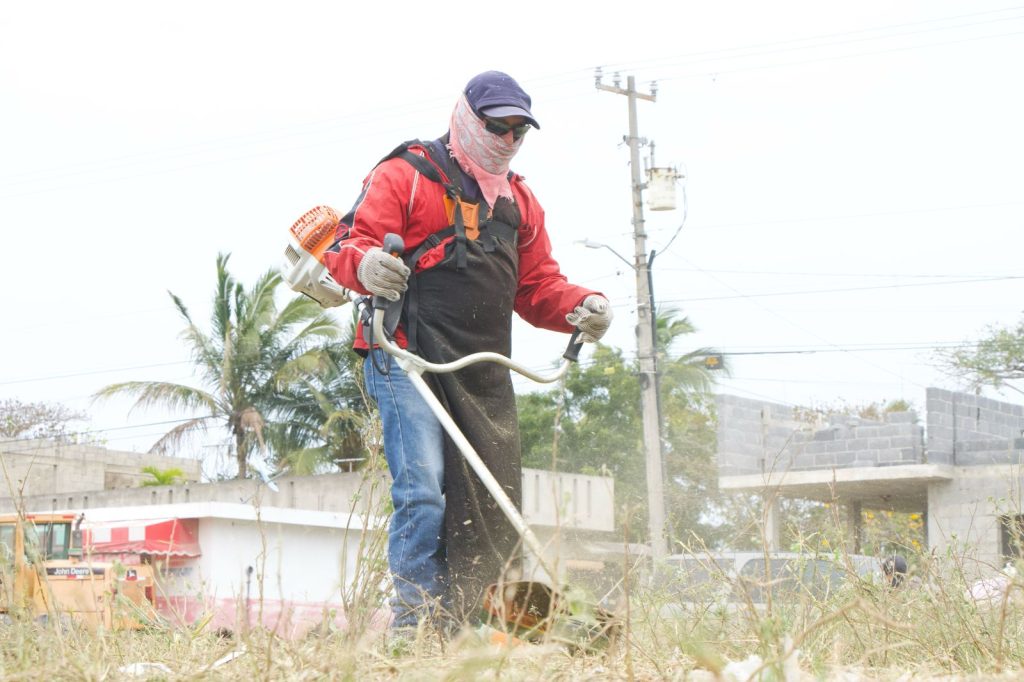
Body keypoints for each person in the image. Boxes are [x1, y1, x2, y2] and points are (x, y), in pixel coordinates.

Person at [323, 71, 612, 632]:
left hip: (481, 369)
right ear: (466, 118)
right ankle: (414, 627)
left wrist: (582, 305)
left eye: (517, 131)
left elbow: (537, 287)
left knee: (488, 501)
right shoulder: (407, 176)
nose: (505, 140)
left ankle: (475, 626)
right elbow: (345, 242)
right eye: (496, 126)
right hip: (404, 353)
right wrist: (364, 265)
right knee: (425, 489)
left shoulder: (520, 203)